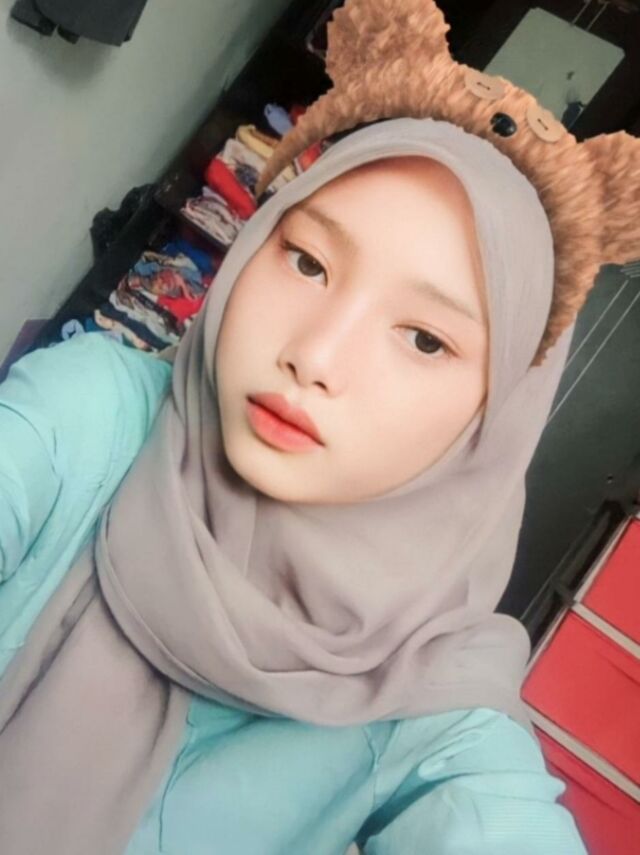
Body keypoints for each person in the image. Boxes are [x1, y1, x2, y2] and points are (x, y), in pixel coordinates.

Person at [3, 0, 638, 850]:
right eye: (306, 261)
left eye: (425, 338)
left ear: (495, 420)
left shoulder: (436, 716)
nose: (314, 356)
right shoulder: (87, 416)